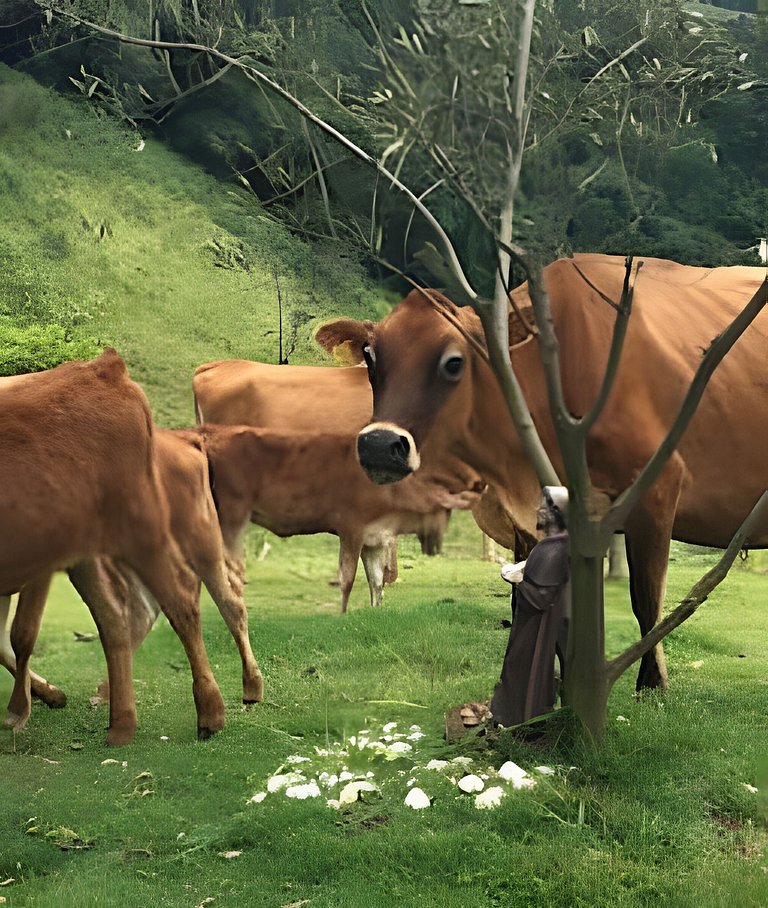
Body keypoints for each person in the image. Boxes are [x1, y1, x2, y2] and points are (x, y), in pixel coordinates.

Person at [490, 486, 571, 727]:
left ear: (557, 512)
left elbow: (541, 597)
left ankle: (524, 721)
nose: (538, 510)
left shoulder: (555, 547)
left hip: (537, 628)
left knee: (525, 670)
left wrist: (516, 580)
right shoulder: (553, 544)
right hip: (536, 625)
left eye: (544, 507)